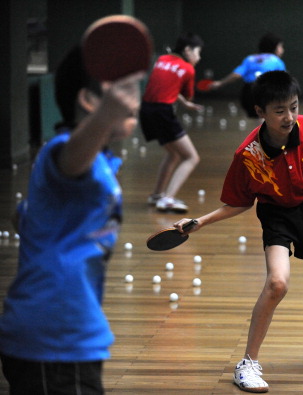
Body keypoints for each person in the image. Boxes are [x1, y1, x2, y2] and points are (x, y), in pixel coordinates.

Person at [173, 70, 303, 393]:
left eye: (293, 107)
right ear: (260, 112)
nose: (289, 117)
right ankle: (248, 364)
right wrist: (200, 222)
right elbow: (239, 203)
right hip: (276, 215)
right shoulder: (247, 155)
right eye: (280, 111)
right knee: (277, 283)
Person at [0, 29, 145, 394]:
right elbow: (72, 158)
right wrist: (107, 114)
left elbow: (23, 215)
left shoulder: (99, 162)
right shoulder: (65, 151)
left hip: (64, 332)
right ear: (90, 100)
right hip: (56, 337)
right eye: (121, 91)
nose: (134, 100)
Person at [140, 33, 204, 213]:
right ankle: (168, 199)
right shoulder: (188, 68)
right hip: (162, 112)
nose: (198, 58)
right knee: (191, 157)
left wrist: (184, 103)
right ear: (187, 50)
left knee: (173, 154)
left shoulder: (161, 59)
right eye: (197, 53)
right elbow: (187, 93)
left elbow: (166, 86)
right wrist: (187, 100)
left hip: (146, 110)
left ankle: (157, 195)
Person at [209, 33, 286, 118]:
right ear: (274, 47)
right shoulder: (277, 61)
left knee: (254, 120)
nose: (282, 50)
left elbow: (236, 75)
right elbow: (284, 81)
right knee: (264, 120)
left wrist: (220, 83)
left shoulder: (250, 58)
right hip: (266, 92)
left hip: (248, 93)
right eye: (281, 47)